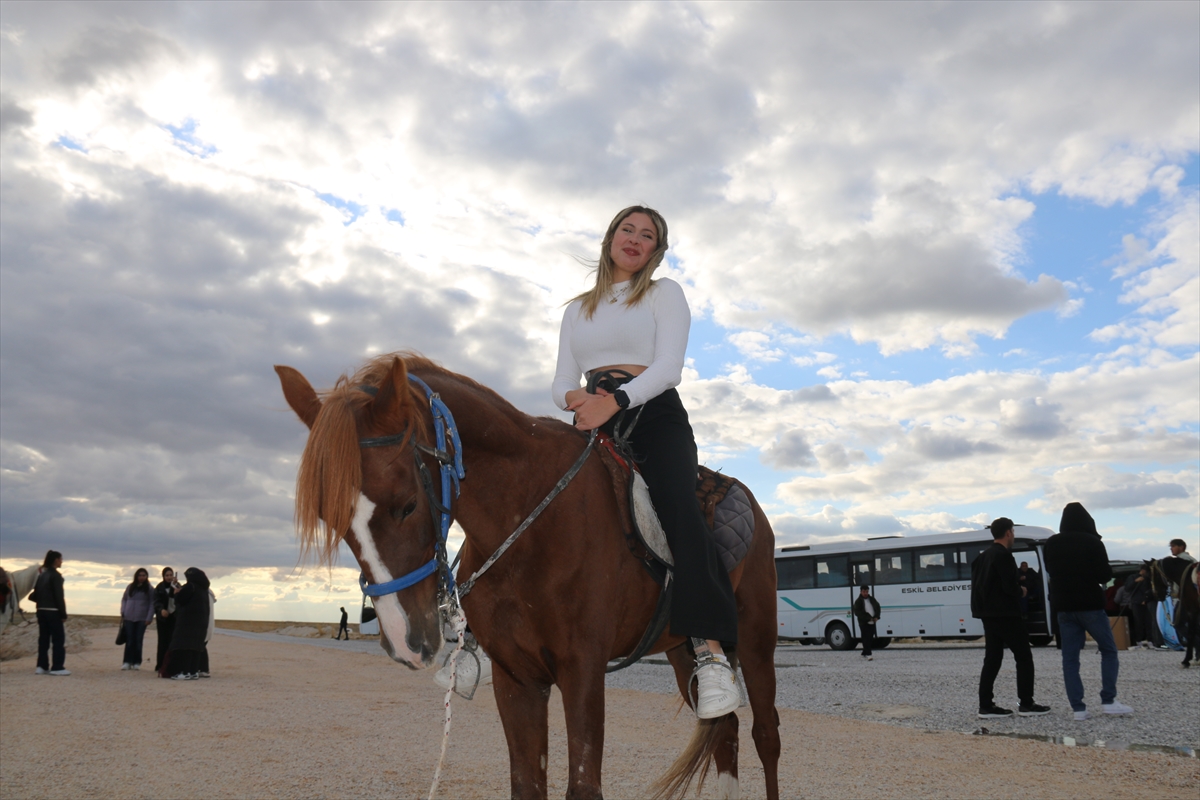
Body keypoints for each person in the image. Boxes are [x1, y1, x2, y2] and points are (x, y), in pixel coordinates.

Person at [551, 205, 740, 719]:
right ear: (611, 237)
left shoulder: (664, 294)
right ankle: (477, 635)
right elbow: (560, 378)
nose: (635, 239)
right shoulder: (577, 310)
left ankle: (710, 652)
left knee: (678, 506)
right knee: (542, 502)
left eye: (647, 235)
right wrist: (579, 400)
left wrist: (613, 400)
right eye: (627, 230)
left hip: (652, 415)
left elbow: (669, 368)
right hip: (592, 414)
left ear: (656, 251)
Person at [1043, 502, 1132, 720]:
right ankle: (1108, 700)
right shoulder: (1092, 541)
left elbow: (1050, 570)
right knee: (1108, 650)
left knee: (1070, 658)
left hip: (1063, 606)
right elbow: (1103, 575)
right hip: (1090, 604)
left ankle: (1078, 708)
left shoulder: (1052, 543)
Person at [970, 518, 1049, 718]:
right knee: (1023, 657)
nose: (1013, 535)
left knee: (992, 659)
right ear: (1008, 533)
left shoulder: (982, 557)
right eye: (1012, 532)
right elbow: (1008, 586)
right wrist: (1021, 590)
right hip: (1006, 613)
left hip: (987, 614)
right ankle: (1026, 703)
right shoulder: (1003, 555)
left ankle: (986, 705)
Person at [164, 567, 210, 681]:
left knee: (182, 647)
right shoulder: (203, 590)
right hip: (201, 624)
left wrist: (176, 593)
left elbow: (180, 600)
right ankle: (193, 671)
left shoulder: (191, 587)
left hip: (187, 623)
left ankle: (182, 672)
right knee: (195, 647)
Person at [31, 550, 70, 676]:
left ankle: (41, 666)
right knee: (58, 639)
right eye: (60, 559)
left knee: (43, 640)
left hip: (41, 611)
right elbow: (59, 597)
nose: (61, 561)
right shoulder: (56, 576)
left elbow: (35, 594)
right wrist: (63, 614)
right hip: (53, 611)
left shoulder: (42, 575)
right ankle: (57, 667)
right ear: (55, 560)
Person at [119, 568, 155, 670]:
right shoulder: (130, 587)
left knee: (138, 640)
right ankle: (127, 661)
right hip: (129, 617)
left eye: (144, 575)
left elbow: (152, 604)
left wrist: (149, 617)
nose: (142, 577)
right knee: (129, 640)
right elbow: (124, 599)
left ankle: (137, 662)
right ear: (136, 576)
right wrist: (123, 611)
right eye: (140, 575)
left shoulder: (149, 589)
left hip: (142, 618)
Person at [153, 567, 179, 673]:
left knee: (173, 641)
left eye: (170, 575)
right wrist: (161, 610)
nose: (169, 577)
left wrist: (176, 586)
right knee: (163, 642)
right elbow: (156, 601)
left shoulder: (177, 586)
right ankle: (160, 665)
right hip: (163, 620)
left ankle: (172, 664)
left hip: (174, 619)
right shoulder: (159, 587)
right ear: (163, 576)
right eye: (167, 575)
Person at [853, 585, 881, 661]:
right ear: (861, 591)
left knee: (871, 638)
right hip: (863, 623)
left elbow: (878, 607)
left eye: (867, 591)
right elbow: (857, 612)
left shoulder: (872, 599)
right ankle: (869, 654)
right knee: (866, 638)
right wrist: (868, 618)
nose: (865, 593)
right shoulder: (858, 601)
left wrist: (877, 617)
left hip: (872, 622)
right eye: (864, 592)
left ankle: (864, 652)